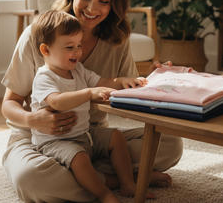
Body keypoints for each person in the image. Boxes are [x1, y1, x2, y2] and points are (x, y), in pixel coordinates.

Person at [1, 0, 183, 203]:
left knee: (171, 144)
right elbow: (9, 104)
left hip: (91, 135)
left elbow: (124, 90)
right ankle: (117, 180)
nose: (92, 9)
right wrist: (33, 119)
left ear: (114, 4)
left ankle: (86, 176)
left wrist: (154, 80)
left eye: (104, 1)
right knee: (32, 179)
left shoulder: (116, 41)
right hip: (38, 139)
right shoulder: (38, 35)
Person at [30, 10, 154, 202]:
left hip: (85, 133)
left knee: (116, 136)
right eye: (70, 47)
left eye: (79, 45)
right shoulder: (45, 77)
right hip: (57, 141)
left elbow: (102, 80)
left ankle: (128, 184)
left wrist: (124, 81)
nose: (77, 52)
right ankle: (104, 193)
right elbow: (57, 101)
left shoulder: (78, 69)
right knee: (79, 159)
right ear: (46, 50)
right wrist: (89, 93)